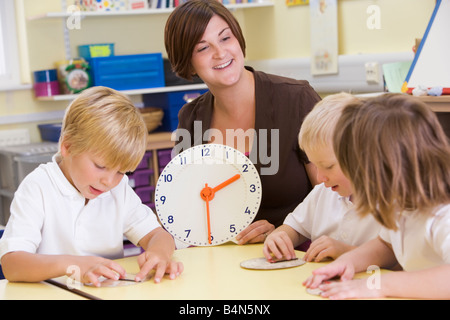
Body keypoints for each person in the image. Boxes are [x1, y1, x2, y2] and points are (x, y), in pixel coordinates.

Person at [164, 0, 321, 244]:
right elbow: (190, 207)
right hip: (226, 259)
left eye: (225, 38)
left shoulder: (297, 99)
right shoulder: (191, 118)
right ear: (188, 63)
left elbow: (334, 196)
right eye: (203, 48)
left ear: (238, 39)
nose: (220, 53)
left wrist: (287, 232)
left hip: (299, 255)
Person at [0, 86, 183, 286]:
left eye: (121, 172)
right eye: (100, 166)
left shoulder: (117, 189)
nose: (109, 181)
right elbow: (12, 264)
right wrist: (74, 265)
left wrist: (160, 253)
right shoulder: (38, 186)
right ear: (68, 146)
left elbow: (157, 235)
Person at [304, 94, 450, 299]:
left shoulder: (442, 213)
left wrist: (381, 285)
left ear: (389, 167)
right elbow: (385, 244)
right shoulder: (401, 203)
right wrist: (347, 262)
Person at [263, 93, 381, 263]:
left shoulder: (393, 202)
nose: (320, 177)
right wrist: (279, 237)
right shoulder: (322, 194)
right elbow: (295, 228)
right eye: (315, 165)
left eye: (328, 166)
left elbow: (394, 259)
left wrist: (346, 252)